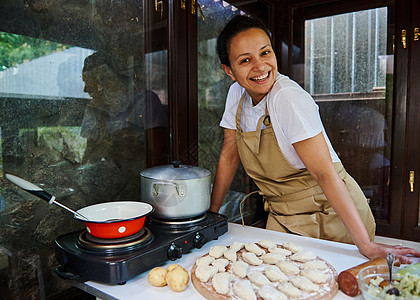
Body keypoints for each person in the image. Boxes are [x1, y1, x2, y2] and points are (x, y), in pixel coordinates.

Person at [209, 15, 420, 264]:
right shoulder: (237, 95)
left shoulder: (287, 99)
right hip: (283, 216)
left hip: (330, 215)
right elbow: (229, 154)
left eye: (265, 53)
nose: (260, 66)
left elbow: (325, 174)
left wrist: (366, 245)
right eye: (245, 60)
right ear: (229, 71)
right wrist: (212, 216)